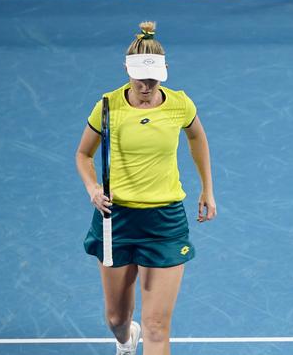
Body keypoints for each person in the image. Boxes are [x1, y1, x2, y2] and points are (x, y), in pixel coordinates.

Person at [75, 21, 217, 355]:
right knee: (116, 318)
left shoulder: (180, 104)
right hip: (116, 220)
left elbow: (197, 136)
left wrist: (206, 188)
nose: (146, 85)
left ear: (165, 71)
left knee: (157, 327)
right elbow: (83, 154)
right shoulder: (108, 106)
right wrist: (92, 188)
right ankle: (125, 340)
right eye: (140, 78)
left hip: (164, 221)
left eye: (153, 79)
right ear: (127, 69)